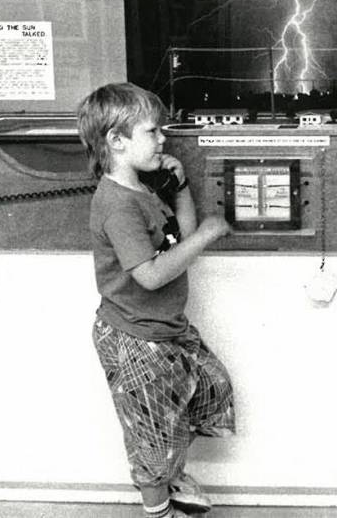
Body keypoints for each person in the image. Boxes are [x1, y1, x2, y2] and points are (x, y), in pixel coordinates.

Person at [76, 82, 236, 518]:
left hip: (165, 329)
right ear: (117, 141)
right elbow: (148, 276)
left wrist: (179, 184)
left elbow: (178, 236)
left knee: (209, 389)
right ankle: (159, 506)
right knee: (150, 436)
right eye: (153, 131)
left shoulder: (143, 190)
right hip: (134, 336)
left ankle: (172, 472)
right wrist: (205, 237)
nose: (162, 138)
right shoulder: (117, 205)